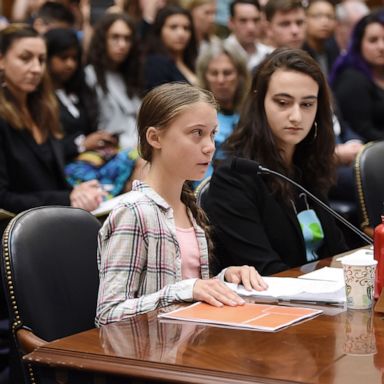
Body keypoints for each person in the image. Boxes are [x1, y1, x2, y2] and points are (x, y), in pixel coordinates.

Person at [96, 82, 267, 325]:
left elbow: (187, 288)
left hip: (192, 344)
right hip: (152, 356)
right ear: (155, 137)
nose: (210, 147)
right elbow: (109, 313)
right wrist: (188, 290)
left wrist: (224, 280)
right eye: (197, 133)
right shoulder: (134, 212)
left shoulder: (190, 208)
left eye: (212, 134)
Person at [202, 48, 347, 276]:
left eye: (307, 104)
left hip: (322, 299)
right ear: (260, 103)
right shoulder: (235, 177)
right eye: (283, 102)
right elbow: (267, 272)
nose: (296, 116)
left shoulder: (308, 166)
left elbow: (338, 253)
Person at [0, 24, 104, 214]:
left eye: (41, 60)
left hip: (55, 217)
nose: (36, 68)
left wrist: (79, 193)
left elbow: (54, 180)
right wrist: (68, 197)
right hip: (16, 229)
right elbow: (3, 199)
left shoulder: (44, 109)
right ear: (1, 60)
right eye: (25, 58)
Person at [85, 12, 143, 150]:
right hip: (109, 150)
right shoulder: (90, 74)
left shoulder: (130, 75)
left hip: (137, 146)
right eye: (115, 37)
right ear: (102, 40)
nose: (122, 45)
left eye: (127, 39)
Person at [195, 40, 250, 182]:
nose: (221, 80)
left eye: (227, 73)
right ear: (204, 77)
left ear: (240, 76)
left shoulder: (250, 114)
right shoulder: (193, 116)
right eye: (214, 73)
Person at [330, 10, 384, 142]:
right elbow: (362, 130)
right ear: (359, 44)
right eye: (373, 40)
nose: (381, 46)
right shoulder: (352, 79)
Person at [143, 5, 198, 90]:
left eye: (186, 28)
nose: (181, 34)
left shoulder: (193, 61)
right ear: (160, 30)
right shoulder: (155, 63)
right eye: (173, 27)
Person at [225, 0, 273, 71]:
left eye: (255, 20)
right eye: (243, 21)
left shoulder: (269, 54)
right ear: (231, 23)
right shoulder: (219, 53)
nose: (251, 27)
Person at [302, 0, 339, 77]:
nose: (325, 21)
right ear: (305, 19)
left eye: (330, 16)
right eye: (317, 16)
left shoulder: (334, 51)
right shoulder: (300, 52)